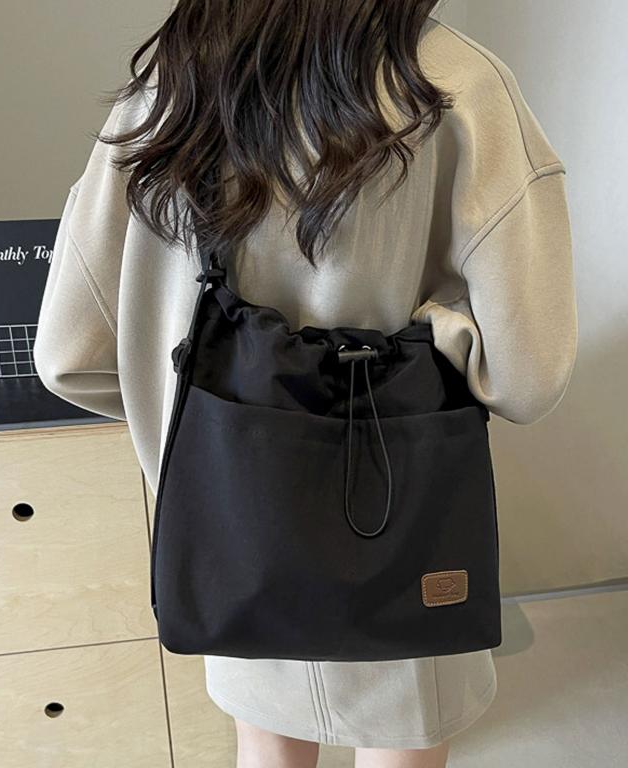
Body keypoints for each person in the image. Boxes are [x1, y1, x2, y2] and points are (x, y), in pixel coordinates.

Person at [33, 2, 578, 766]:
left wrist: (197, 427)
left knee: (266, 749)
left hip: (235, 532)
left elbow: (68, 353)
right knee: (400, 744)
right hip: (395, 532)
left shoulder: (172, 83)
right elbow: (530, 376)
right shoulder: (457, 84)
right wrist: (437, 335)